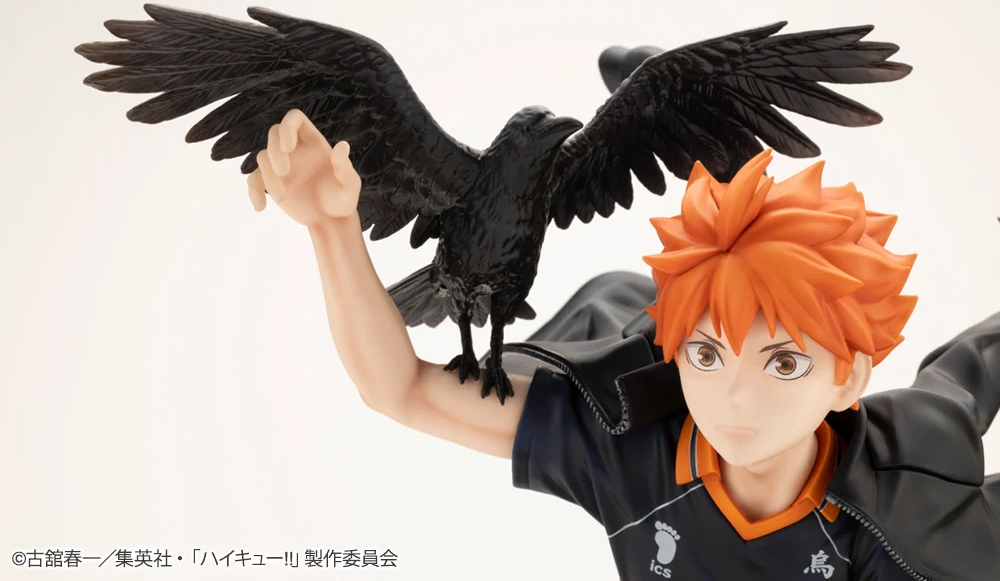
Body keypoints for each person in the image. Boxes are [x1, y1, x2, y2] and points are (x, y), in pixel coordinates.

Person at [248, 108, 1000, 580]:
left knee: (966, 377)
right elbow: (402, 388)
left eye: (784, 362)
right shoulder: (627, 450)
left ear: (849, 378)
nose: (736, 398)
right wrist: (332, 228)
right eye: (706, 355)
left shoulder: (883, 523)